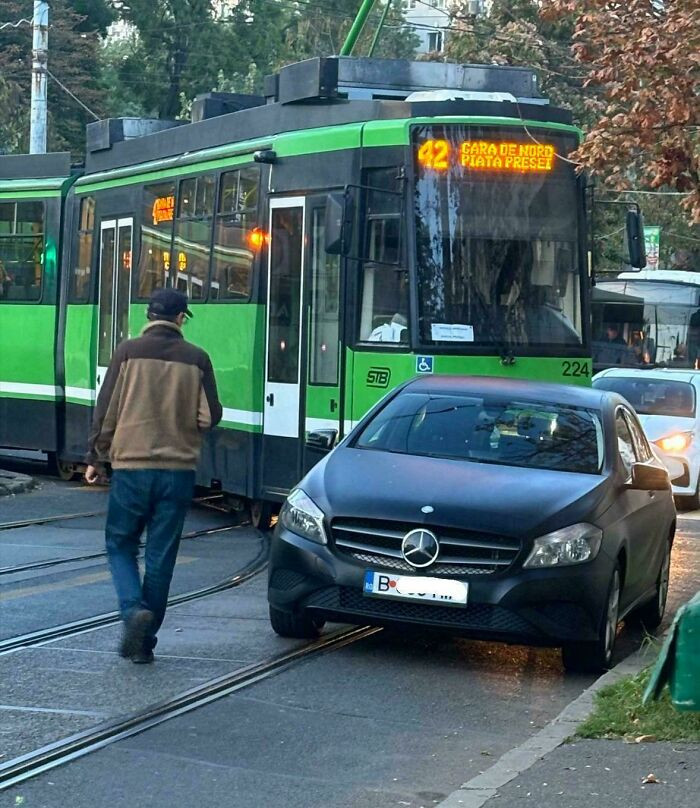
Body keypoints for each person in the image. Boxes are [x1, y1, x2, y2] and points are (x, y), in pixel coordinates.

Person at [85, 289, 222, 663]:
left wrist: (96, 456)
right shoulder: (197, 358)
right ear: (181, 318)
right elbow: (209, 416)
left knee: (120, 544)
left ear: (148, 316)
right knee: (161, 556)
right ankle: (144, 642)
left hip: (131, 469)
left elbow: (107, 410)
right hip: (177, 473)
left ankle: (133, 611)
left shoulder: (127, 352)